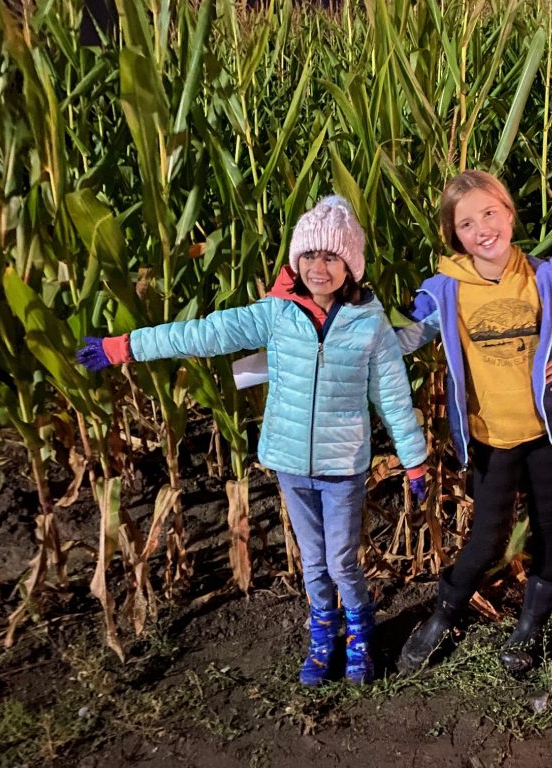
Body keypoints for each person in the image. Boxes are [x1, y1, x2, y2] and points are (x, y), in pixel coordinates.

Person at [77, 196, 428, 687]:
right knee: (312, 559)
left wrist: (413, 460)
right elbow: (202, 333)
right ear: (295, 261)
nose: (318, 268)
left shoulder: (369, 324)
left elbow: (392, 395)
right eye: (308, 256)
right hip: (289, 460)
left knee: (341, 560)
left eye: (331, 257)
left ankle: (360, 636)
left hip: (343, 462)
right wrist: (125, 347)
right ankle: (322, 637)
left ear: (351, 265)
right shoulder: (276, 315)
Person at [395, 170, 552, 676]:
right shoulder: (446, 291)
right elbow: (405, 338)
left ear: (508, 212)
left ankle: (531, 625)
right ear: (453, 235)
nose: (481, 228)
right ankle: (442, 616)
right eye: (465, 223)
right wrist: (341, 328)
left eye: (489, 213)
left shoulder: (547, 278)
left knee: (549, 527)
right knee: (486, 538)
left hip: (547, 433)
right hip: (490, 436)